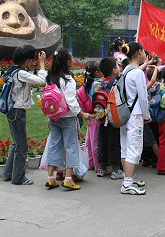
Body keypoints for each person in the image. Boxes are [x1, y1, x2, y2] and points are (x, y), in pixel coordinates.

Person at [45, 48, 94, 191]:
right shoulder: (68, 80)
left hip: (54, 117)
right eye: (71, 59)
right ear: (67, 62)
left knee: (54, 145)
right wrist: (82, 113)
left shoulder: (50, 77)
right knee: (71, 146)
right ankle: (68, 178)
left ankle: (50, 178)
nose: (73, 61)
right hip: (68, 118)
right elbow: (71, 101)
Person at [4, 45, 47, 185]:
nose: (33, 63)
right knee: (22, 146)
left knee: (16, 143)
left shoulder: (12, 71)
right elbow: (41, 80)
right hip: (17, 110)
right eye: (33, 60)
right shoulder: (20, 73)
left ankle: (9, 173)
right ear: (27, 60)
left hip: (12, 110)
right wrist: (42, 64)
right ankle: (18, 178)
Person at [120, 42, 150, 195]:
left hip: (123, 114)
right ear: (139, 52)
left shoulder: (125, 70)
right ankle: (127, 184)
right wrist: (147, 116)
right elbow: (143, 98)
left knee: (125, 148)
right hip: (135, 114)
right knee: (134, 148)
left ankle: (128, 178)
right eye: (144, 51)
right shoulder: (137, 73)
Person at [96, 57, 123, 177]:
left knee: (103, 141)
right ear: (114, 70)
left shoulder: (101, 83)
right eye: (118, 66)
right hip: (113, 117)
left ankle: (102, 168)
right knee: (114, 142)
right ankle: (115, 169)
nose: (119, 68)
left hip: (102, 118)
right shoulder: (116, 83)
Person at [82, 61, 103, 172]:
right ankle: (97, 165)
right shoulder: (98, 84)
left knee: (89, 140)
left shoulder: (87, 82)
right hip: (97, 115)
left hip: (90, 113)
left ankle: (89, 162)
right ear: (96, 72)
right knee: (95, 141)